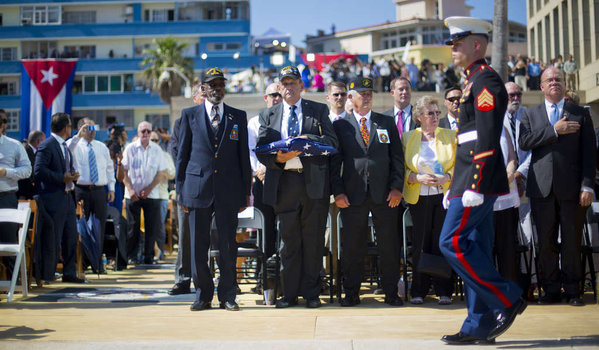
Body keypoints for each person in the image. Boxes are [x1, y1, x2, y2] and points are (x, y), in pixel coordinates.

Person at [439, 17, 526, 345]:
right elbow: (467, 140)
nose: (453, 48)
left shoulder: (485, 80)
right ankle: (478, 324)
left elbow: (488, 136)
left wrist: (473, 184)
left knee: (451, 242)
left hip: (478, 181)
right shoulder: (472, 81)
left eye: (459, 43)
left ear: (478, 45)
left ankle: (506, 296)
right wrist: (455, 186)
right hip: (467, 180)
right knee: (474, 246)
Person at [256, 65, 338, 308]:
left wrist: (307, 140)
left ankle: (312, 295)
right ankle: (289, 294)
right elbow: (262, 149)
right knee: (289, 243)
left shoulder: (319, 110)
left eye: (293, 83)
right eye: (285, 83)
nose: (289, 87)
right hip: (284, 183)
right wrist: (278, 159)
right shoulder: (268, 115)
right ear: (279, 88)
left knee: (313, 241)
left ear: (302, 86)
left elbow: (332, 142)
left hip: (313, 182)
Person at [519, 67, 596, 306]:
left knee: (572, 242)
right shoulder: (529, 115)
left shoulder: (580, 113)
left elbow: (589, 154)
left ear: (564, 84)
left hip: (573, 190)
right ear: (541, 86)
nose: (554, 82)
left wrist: (587, 186)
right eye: (549, 80)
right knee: (546, 243)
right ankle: (551, 289)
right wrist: (554, 130)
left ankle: (574, 290)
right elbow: (525, 141)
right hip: (541, 189)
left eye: (558, 79)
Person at [176, 67, 251, 311]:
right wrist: (180, 192)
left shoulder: (237, 116)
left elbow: (243, 159)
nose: (217, 89)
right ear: (203, 88)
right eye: (213, 84)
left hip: (229, 191)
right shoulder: (189, 115)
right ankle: (202, 294)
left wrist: (245, 193)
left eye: (221, 84)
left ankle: (228, 295)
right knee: (198, 245)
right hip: (197, 190)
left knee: (229, 245)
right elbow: (183, 157)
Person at [331, 76, 404, 307]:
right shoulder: (340, 126)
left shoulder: (386, 122)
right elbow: (335, 164)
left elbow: (397, 159)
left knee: (389, 245)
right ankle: (352, 292)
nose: (367, 98)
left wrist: (396, 187)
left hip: (384, 195)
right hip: (353, 196)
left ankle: (391, 292)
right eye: (363, 94)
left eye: (370, 94)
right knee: (353, 247)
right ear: (351, 98)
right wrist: (339, 192)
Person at [402, 96, 456, 305]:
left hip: (443, 197)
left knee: (441, 243)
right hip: (419, 197)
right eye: (430, 113)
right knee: (420, 244)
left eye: (437, 112)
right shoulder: (408, 138)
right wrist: (416, 177)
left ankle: (444, 290)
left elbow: (459, 164)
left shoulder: (450, 136)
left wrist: (447, 178)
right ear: (418, 117)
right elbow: (402, 167)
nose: (435, 117)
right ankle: (419, 290)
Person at [34, 113, 85, 283]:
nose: (71, 128)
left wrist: (72, 176)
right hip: (53, 199)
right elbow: (38, 171)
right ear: (65, 128)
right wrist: (61, 177)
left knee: (70, 237)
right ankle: (47, 274)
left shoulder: (64, 146)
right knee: (53, 239)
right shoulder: (47, 145)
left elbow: (64, 169)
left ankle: (69, 273)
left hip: (67, 197)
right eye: (70, 125)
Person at [167, 82, 205, 296]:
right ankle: (183, 280)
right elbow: (176, 151)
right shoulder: (182, 121)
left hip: (215, 187)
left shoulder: (219, 119)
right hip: (189, 186)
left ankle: (222, 279)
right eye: (202, 93)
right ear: (194, 98)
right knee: (186, 237)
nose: (206, 96)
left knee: (217, 235)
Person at [247, 82, 282, 294]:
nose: (277, 98)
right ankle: (263, 280)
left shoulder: (288, 119)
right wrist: (259, 170)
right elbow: (249, 151)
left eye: (279, 94)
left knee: (286, 231)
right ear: (265, 98)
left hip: (286, 181)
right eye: (273, 95)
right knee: (265, 232)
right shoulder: (254, 122)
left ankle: (285, 278)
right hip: (262, 181)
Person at [68, 118, 115, 272]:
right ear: (81, 128)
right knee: (82, 227)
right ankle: (83, 263)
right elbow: (66, 149)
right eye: (89, 127)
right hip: (81, 190)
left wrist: (112, 188)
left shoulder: (101, 147)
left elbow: (109, 168)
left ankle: (97, 263)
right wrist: (77, 136)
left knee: (99, 227)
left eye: (95, 127)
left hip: (99, 191)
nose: (93, 130)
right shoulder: (74, 145)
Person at [122, 121, 167, 265]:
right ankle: (132, 256)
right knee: (132, 228)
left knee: (151, 227)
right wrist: (130, 189)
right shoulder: (130, 149)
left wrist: (149, 189)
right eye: (143, 131)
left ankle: (148, 257)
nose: (146, 134)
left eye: (148, 131)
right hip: (132, 194)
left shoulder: (157, 150)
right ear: (138, 133)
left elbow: (160, 173)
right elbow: (123, 171)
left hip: (151, 194)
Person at [0, 110, 32, 270]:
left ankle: (15, 281)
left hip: (6, 197)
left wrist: (7, 172)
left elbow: (27, 170)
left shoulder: (13, 145)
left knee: (8, 243)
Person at [150, 130, 175, 261]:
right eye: (151, 140)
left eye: (155, 140)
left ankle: (159, 253)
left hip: (161, 195)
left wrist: (163, 170)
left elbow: (172, 174)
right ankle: (146, 253)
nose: (153, 143)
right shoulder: (145, 154)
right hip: (147, 195)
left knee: (159, 225)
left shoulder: (165, 155)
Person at [17, 130, 44, 199]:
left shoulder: (35, 152)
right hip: (24, 193)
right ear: (39, 141)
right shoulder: (26, 151)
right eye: (44, 141)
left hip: (32, 192)